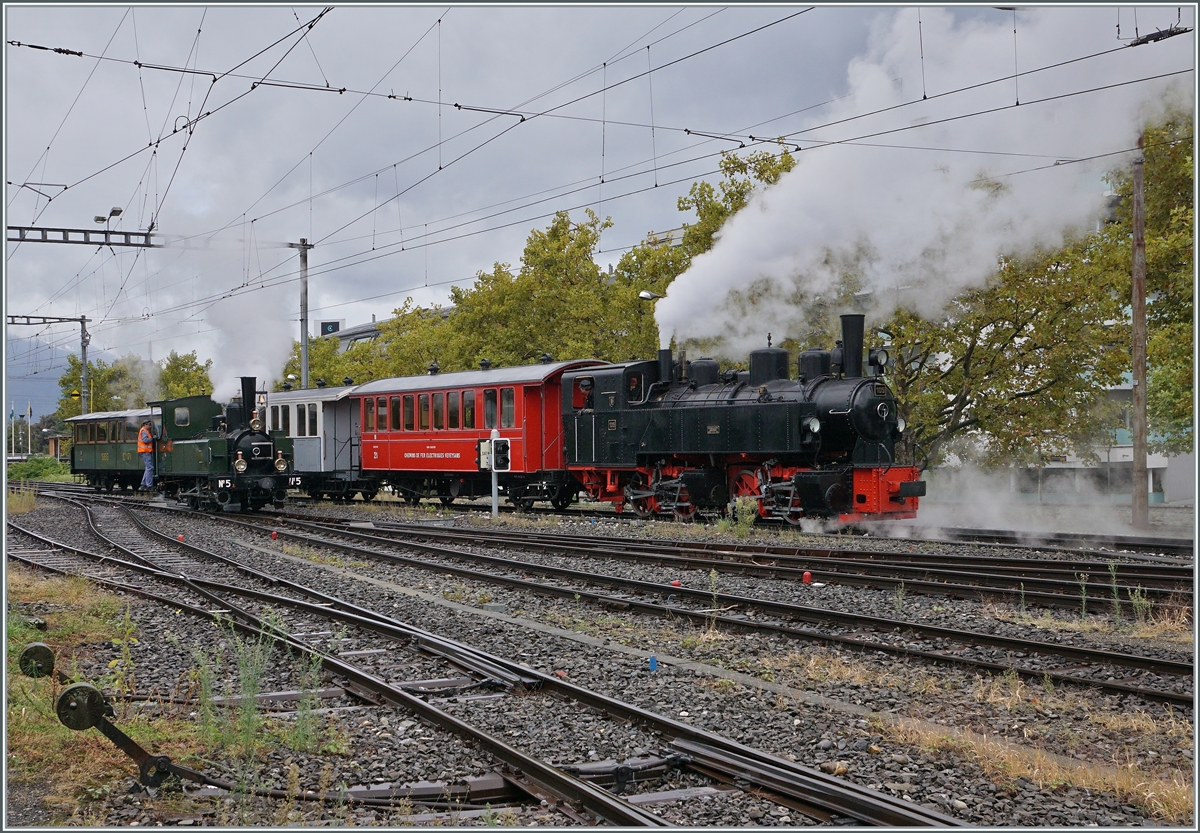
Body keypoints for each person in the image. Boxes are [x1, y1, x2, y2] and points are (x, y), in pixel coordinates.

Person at [137, 420, 155, 491]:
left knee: (148, 468)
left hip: (144, 451)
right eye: (149, 425)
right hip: (145, 451)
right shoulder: (144, 431)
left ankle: (143, 484)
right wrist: (152, 439)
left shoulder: (143, 430)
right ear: (145, 424)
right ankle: (149, 485)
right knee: (150, 468)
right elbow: (145, 440)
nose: (150, 426)